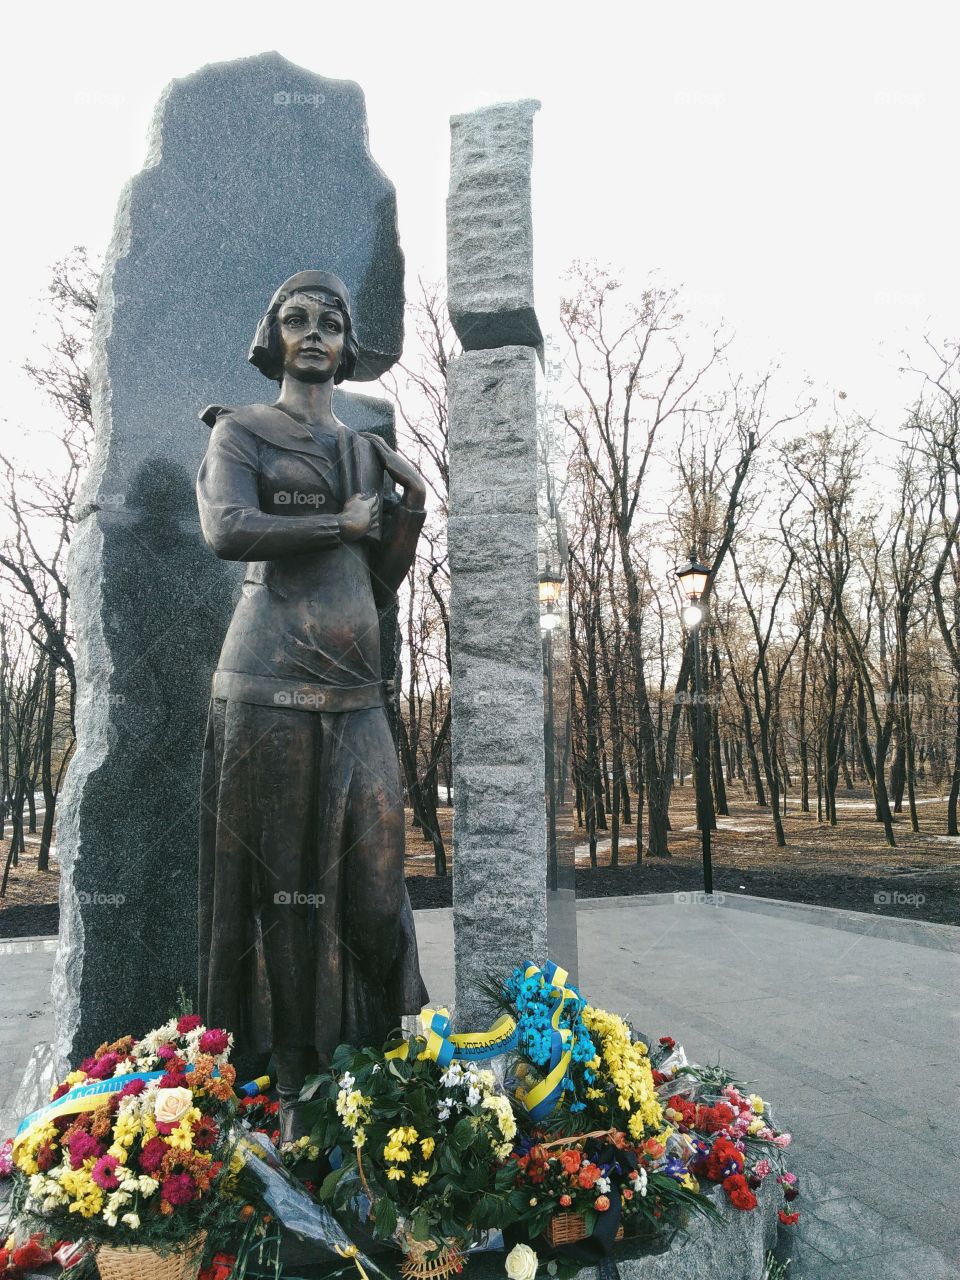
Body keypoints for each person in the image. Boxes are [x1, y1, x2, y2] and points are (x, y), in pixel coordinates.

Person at [196, 270, 427, 1139]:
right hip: (268, 685)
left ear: (348, 342)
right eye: (297, 320)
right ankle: (292, 1078)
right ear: (274, 339)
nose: (316, 332)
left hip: (356, 690)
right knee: (285, 888)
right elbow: (227, 529)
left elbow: (376, 583)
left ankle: (373, 1051)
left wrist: (409, 512)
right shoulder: (240, 431)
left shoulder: (364, 450)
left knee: (375, 886)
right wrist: (340, 523)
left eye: (331, 320)